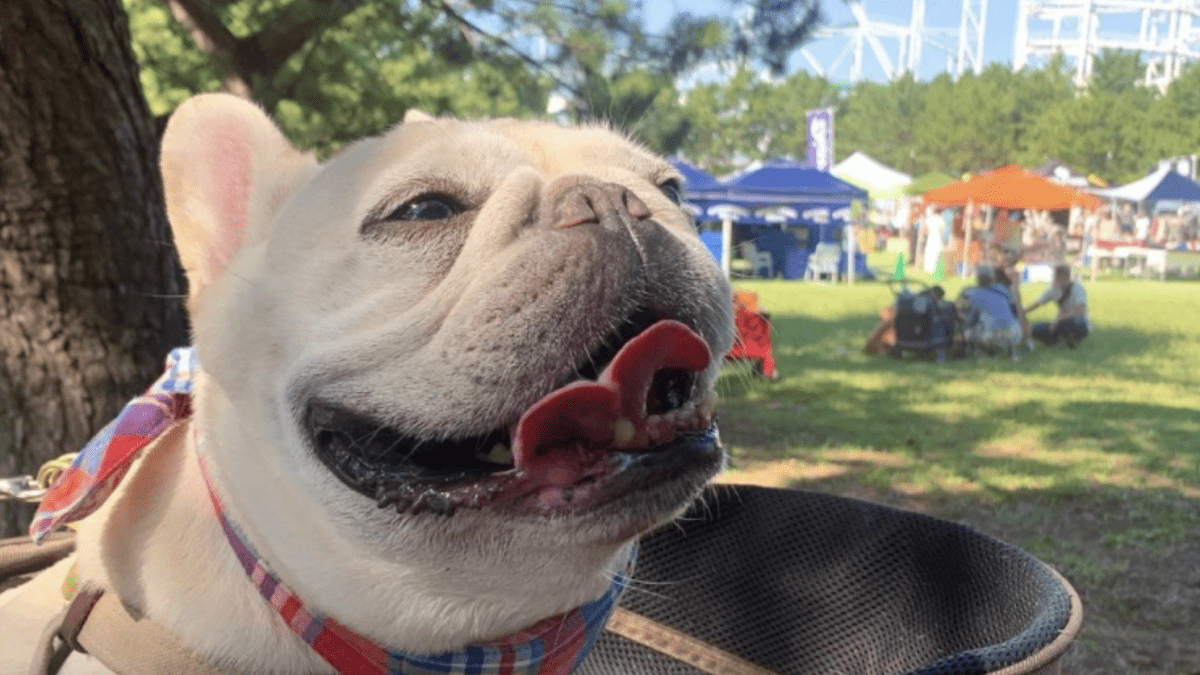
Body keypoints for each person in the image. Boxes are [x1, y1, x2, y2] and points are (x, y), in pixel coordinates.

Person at [958, 266, 1022, 360]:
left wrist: (959, 315)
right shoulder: (1002, 289)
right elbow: (1014, 311)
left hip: (993, 337)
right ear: (992, 278)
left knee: (969, 332)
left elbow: (970, 322)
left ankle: (978, 351)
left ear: (977, 278)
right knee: (1006, 323)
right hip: (1016, 334)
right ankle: (1013, 353)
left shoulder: (975, 295)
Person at [1025, 264, 1090, 348]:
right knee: (1034, 328)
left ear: (1065, 276)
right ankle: (1055, 341)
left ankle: (1067, 340)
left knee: (1074, 325)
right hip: (1062, 321)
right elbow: (1038, 303)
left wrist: (1058, 319)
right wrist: (1023, 311)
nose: (1054, 278)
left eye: (1056, 275)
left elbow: (1080, 310)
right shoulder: (1053, 290)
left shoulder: (1077, 288)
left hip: (1077, 322)